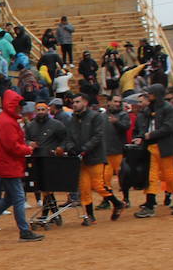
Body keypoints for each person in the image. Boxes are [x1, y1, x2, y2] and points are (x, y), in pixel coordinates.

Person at [0, 90, 44, 245]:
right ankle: (24, 231)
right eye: (20, 105)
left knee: (9, 199)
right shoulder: (7, 122)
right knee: (18, 197)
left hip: (6, 164)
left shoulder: (6, 120)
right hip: (8, 165)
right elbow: (12, 146)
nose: (22, 108)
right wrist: (28, 149)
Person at [133, 83, 173, 217]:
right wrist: (141, 137)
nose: (148, 96)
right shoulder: (149, 108)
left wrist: (151, 135)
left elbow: (169, 127)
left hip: (166, 146)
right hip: (152, 146)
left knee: (170, 175)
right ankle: (150, 204)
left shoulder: (168, 108)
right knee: (152, 176)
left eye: (150, 93)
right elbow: (144, 126)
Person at [69, 92, 120, 225]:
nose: (74, 105)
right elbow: (69, 136)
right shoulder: (73, 119)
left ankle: (117, 203)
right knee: (84, 187)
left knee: (98, 184)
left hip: (95, 156)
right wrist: (72, 148)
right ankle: (90, 216)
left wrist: (85, 148)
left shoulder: (96, 117)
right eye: (73, 102)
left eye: (77, 102)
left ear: (85, 102)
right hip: (81, 158)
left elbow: (98, 136)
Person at [25, 99, 73, 225]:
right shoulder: (30, 125)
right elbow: (24, 139)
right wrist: (29, 143)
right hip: (36, 159)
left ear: (48, 110)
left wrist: (61, 148)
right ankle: (52, 216)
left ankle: (48, 216)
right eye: (38, 110)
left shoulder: (57, 125)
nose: (40, 112)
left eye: (43, 109)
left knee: (47, 188)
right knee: (45, 188)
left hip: (52, 160)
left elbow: (66, 139)